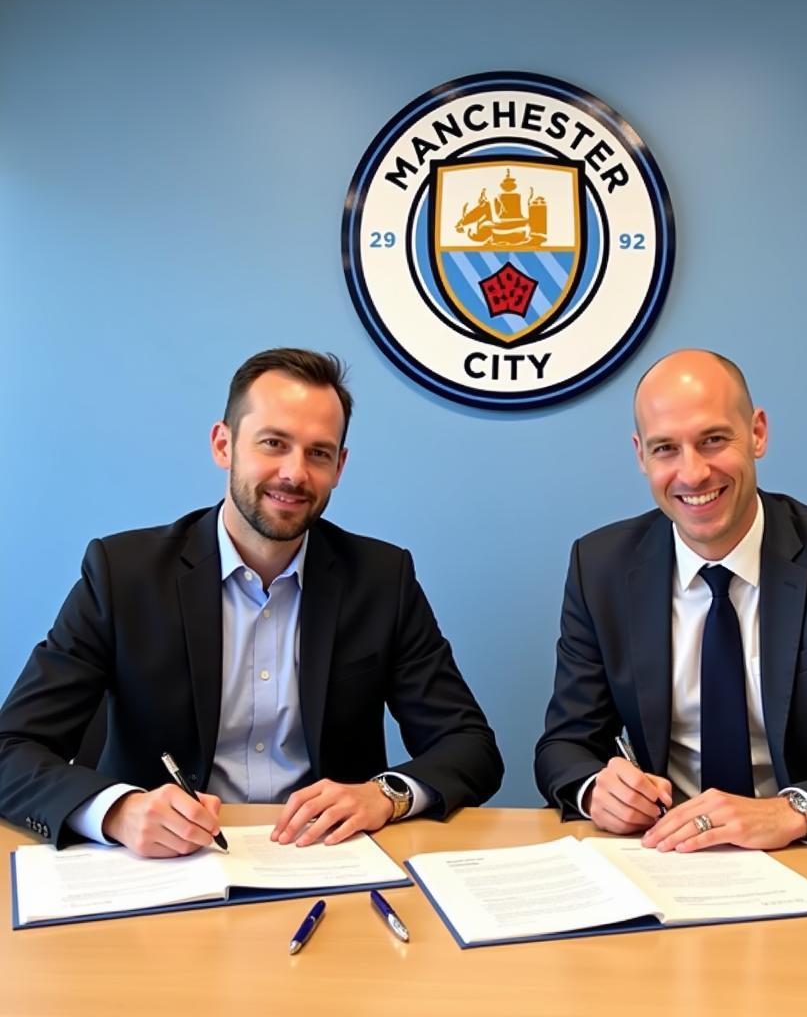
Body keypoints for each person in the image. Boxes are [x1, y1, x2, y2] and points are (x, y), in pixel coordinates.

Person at [0, 348, 502, 856]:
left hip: (325, 861)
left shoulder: (381, 578)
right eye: (273, 443)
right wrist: (118, 811)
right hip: (163, 870)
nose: (294, 473)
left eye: (318, 453)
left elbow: (471, 747)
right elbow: (10, 751)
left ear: (339, 467)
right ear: (224, 444)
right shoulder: (122, 574)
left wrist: (385, 795)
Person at [534, 349, 807, 852]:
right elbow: (564, 746)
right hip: (666, 859)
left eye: (713, 440)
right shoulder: (601, 566)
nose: (693, 473)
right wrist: (596, 790)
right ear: (641, 455)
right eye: (665, 449)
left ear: (757, 433)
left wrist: (793, 812)